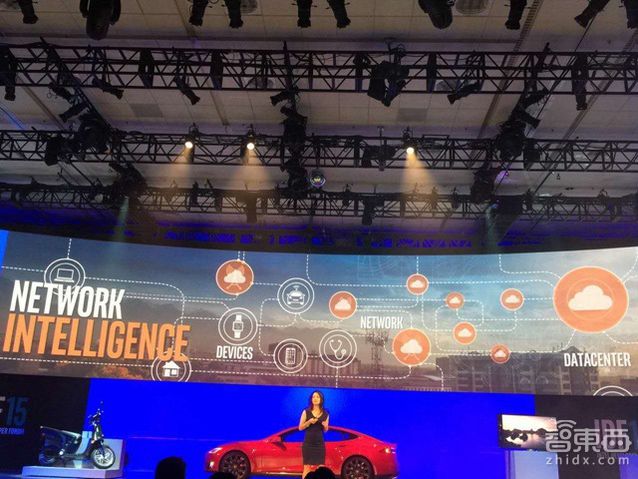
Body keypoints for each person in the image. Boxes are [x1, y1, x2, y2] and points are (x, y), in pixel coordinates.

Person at [299, 390, 329, 479]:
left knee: (321, 468)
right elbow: (300, 428)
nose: (315, 398)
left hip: (319, 444)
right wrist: (309, 422)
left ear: (321, 399)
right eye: (313, 397)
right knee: (307, 467)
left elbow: (325, 430)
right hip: (308, 444)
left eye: (317, 397)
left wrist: (325, 426)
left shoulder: (326, 413)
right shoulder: (306, 412)